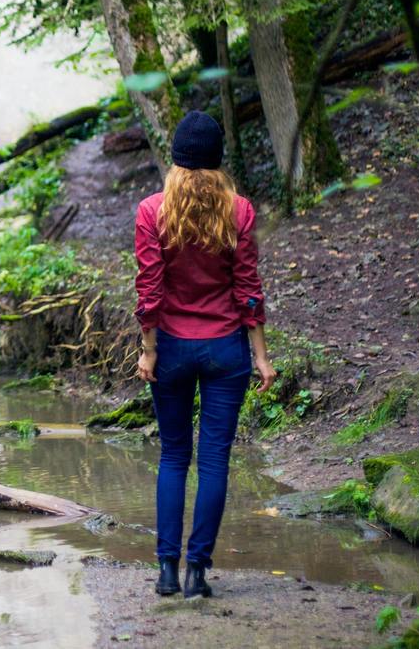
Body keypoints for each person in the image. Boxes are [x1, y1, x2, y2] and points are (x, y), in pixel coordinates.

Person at [133, 110, 276, 599]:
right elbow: (248, 290)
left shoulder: (153, 211)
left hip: (171, 347)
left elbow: (149, 291)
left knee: (174, 456)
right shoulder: (240, 211)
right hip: (225, 350)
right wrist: (261, 356)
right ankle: (198, 574)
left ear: (175, 159)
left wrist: (149, 350)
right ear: (218, 161)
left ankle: (167, 572)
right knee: (214, 460)